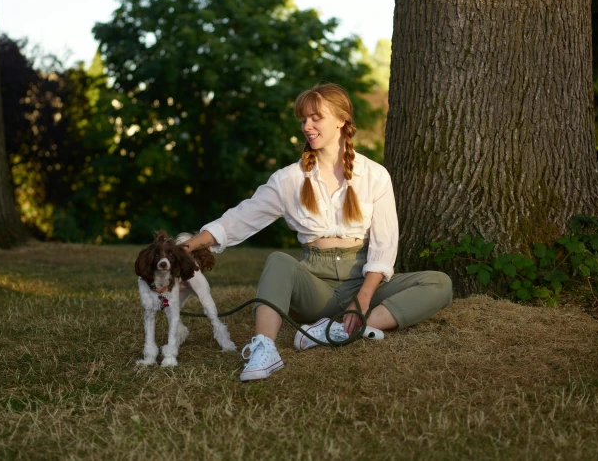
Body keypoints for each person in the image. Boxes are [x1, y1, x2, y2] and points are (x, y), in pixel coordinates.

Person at [183, 83, 452, 381]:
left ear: (341, 120)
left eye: (315, 118)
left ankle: (342, 328)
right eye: (303, 120)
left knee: (439, 283)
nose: (307, 126)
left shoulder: (374, 175)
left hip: (362, 280)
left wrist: (361, 300)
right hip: (315, 289)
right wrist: (190, 246)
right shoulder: (289, 179)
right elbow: (241, 217)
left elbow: (384, 244)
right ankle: (264, 349)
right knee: (278, 260)